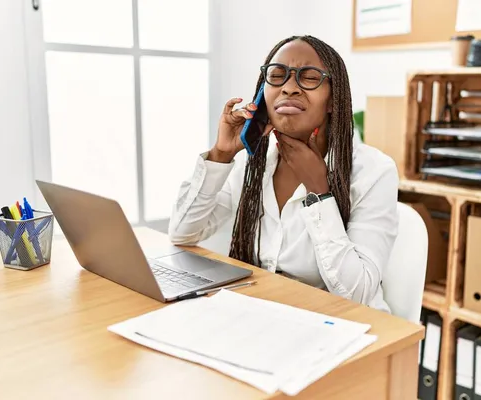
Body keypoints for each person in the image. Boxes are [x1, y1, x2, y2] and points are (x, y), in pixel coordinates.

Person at [169, 35, 399, 313]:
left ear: (333, 100)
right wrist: (221, 154)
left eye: (310, 77)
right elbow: (182, 234)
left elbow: (358, 295)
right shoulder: (253, 162)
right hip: (264, 314)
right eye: (277, 76)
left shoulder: (374, 172)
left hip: (339, 324)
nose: (289, 87)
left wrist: (319, 191)